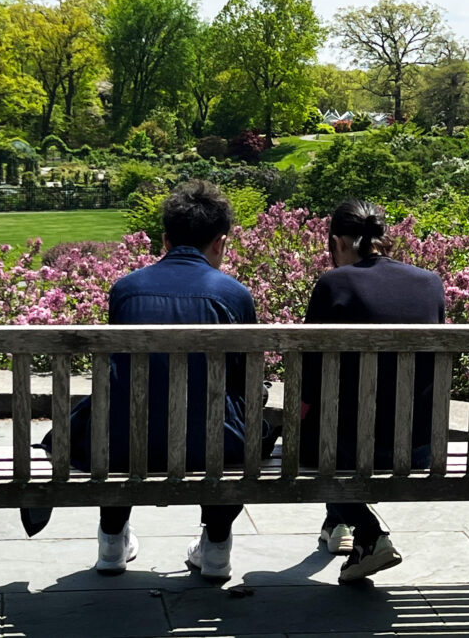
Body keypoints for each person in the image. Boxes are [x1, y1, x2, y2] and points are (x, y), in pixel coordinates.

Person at [25, 180, 258, 581]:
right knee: (227, 415)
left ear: (164, 240)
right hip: (210, 449)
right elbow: (244, 381)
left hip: (122, 447)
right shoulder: (235, 295)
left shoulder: (126, 291)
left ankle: (112, 541)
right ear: (220, 243)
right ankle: (217, 546)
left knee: (116, 412)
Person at [300, 199, 445, 582]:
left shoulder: (333, 284)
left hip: (350, 448)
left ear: (336, 242)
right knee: (335, 429)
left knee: (320, 438)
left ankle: (366, 532)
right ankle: (338, 525)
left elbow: (308, 376)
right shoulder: (430, 283)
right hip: (417, 447)